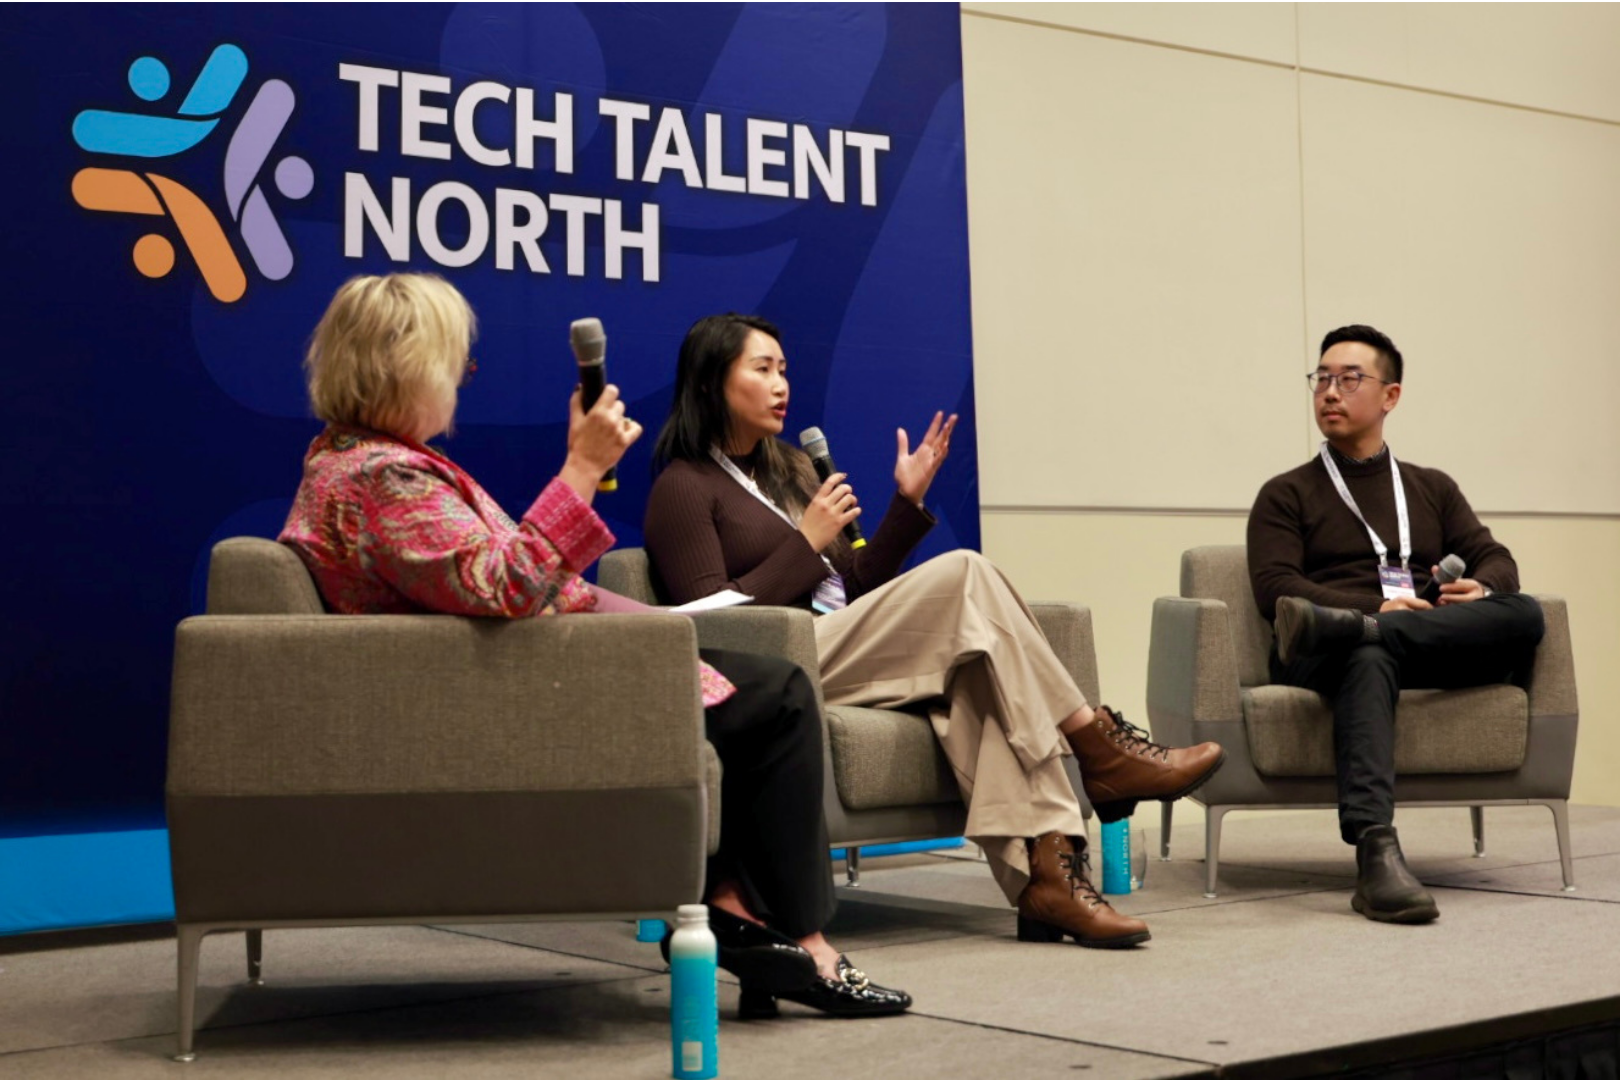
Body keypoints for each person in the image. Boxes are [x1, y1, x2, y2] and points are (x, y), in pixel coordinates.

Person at [278, 274, 909, 1018]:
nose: (458, 382)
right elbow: (504, 586)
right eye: (455, 363)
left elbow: (496, 580)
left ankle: (733, 907)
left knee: (757, 693)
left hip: (553, 662)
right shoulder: (384, 478)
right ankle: (806, 940)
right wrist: (579, 469)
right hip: (531, 687)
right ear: (404, 365)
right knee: (776, 697)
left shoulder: (360, 462)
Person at [643, 313, 1227, 949]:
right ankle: (1095, 742)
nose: (782, 383)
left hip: (843, 642)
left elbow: (857, 589)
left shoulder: (790, 471)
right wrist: (806, 543)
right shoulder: (683, 486)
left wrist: (905, 507)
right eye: (762, 369)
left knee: (979, 680)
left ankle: (1048, 880)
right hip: (781, 667)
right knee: (966, 573)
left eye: (784, 368)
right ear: (709, 384)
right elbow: (706, 621)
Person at [1247, 324, 1545, 925]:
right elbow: (1275, 590)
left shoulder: (1431, 488)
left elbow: (1496, 557)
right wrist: (1370, 615)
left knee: (1525, 611)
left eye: (1349, 378)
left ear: (1390, 396)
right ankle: (1376, 850)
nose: (1330, 391)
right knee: (1368, 653)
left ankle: (1373, 634)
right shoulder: (1286, 494)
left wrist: (1481, 588)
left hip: (1425, 638)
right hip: (1326, 645)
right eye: (1322, 378)